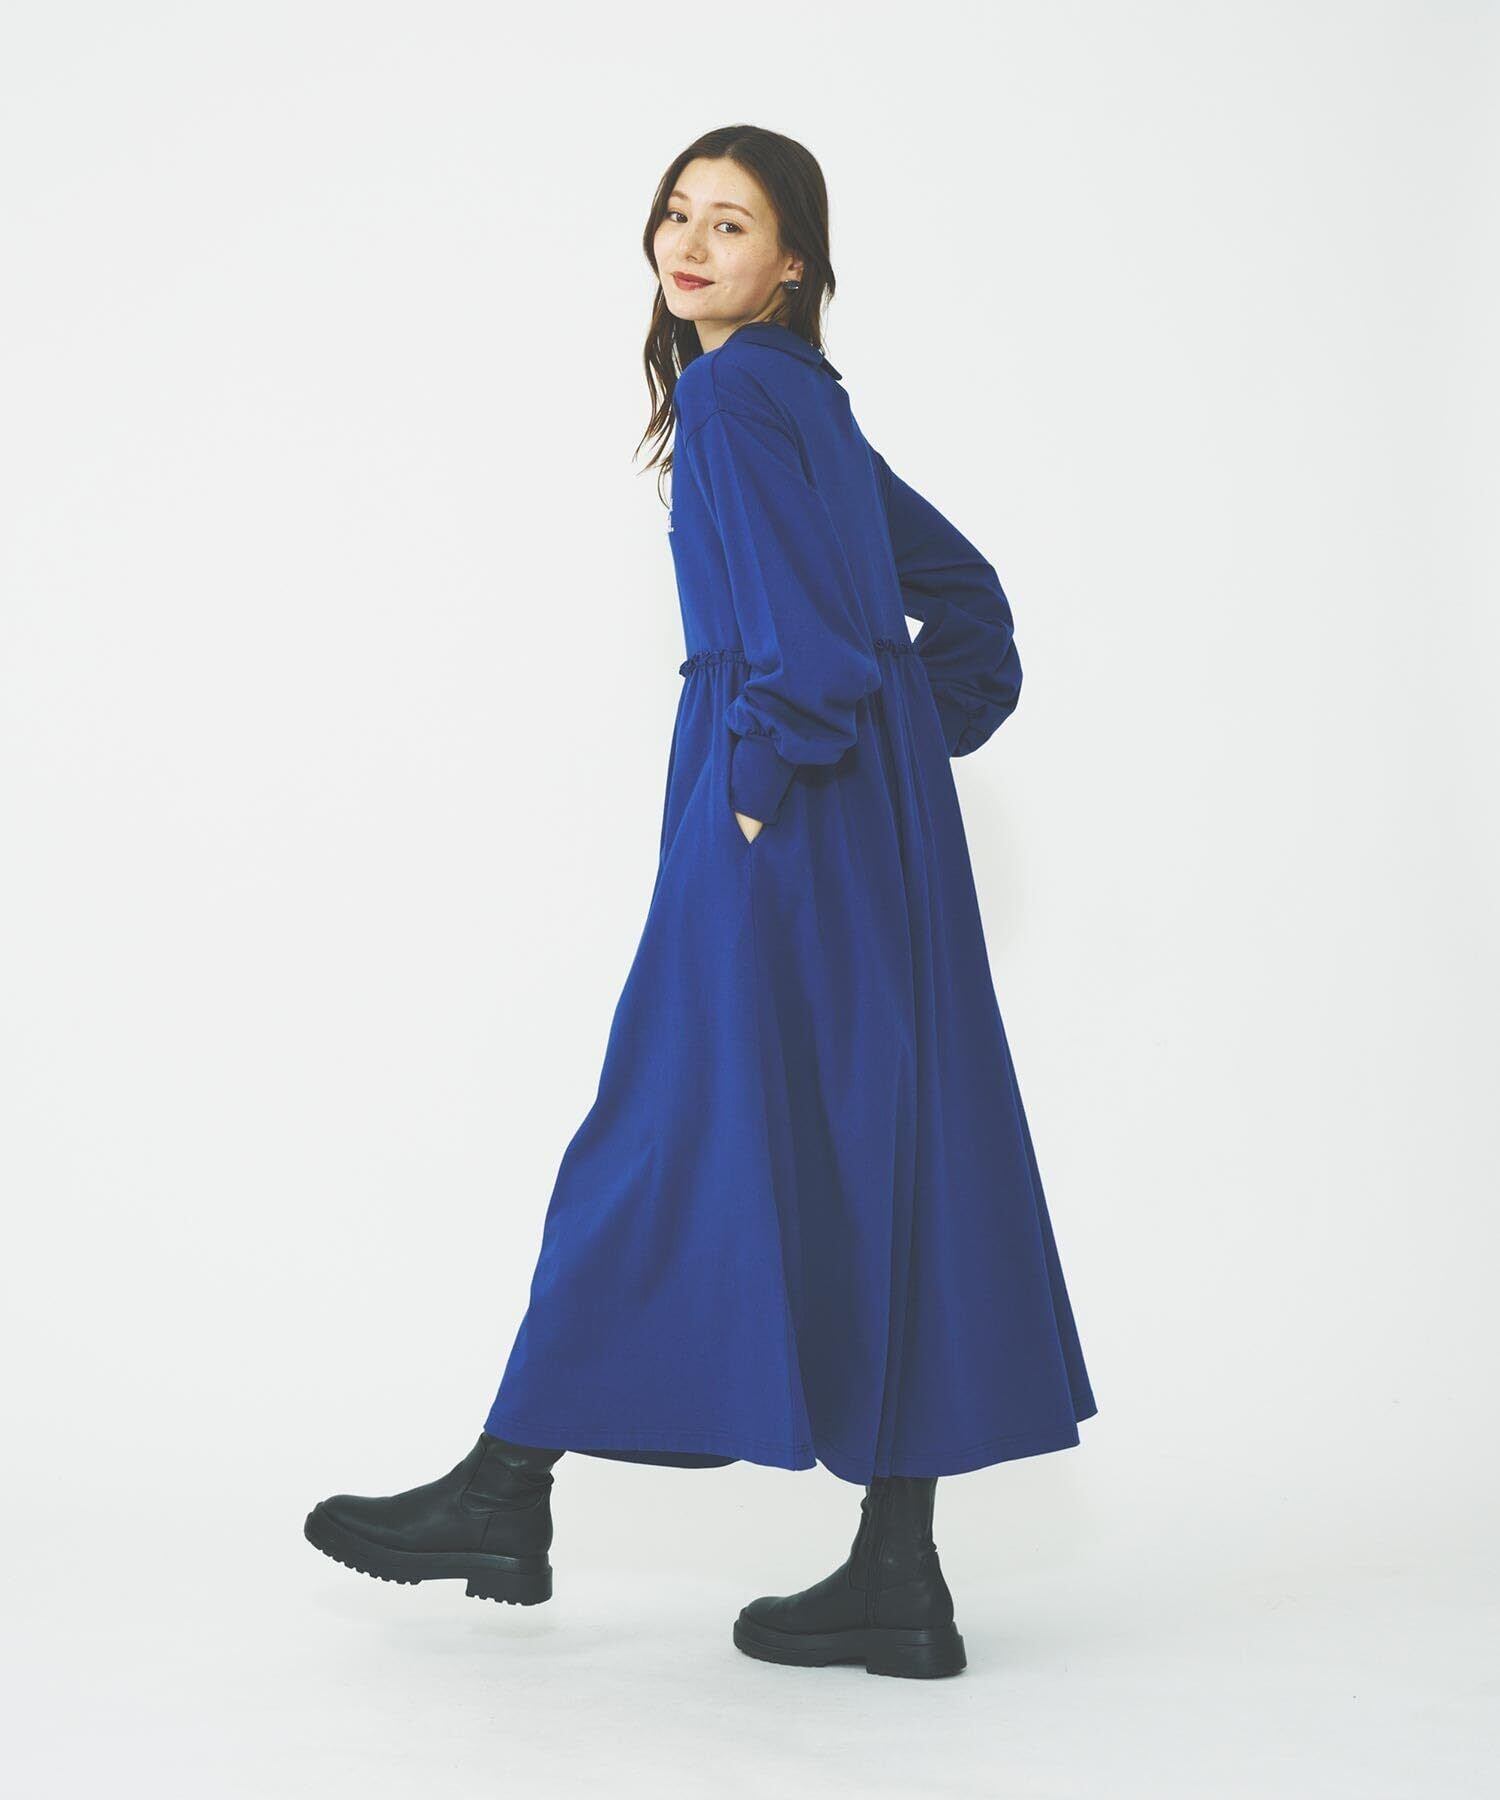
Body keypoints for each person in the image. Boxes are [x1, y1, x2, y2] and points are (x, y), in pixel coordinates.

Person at [305, 125, 1097, 1681]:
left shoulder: (738, 396)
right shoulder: (805, 397)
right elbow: (965, 607)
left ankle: (504, 1493)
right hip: (869, 834)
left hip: (777, 820)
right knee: (882, 1151)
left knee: (661, 1131)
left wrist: (767, 772)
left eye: (732, 223)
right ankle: (897, 1575)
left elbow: (818, 647)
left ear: (791, 262)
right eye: (678, 212)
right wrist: (896, 750)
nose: (690, 242)